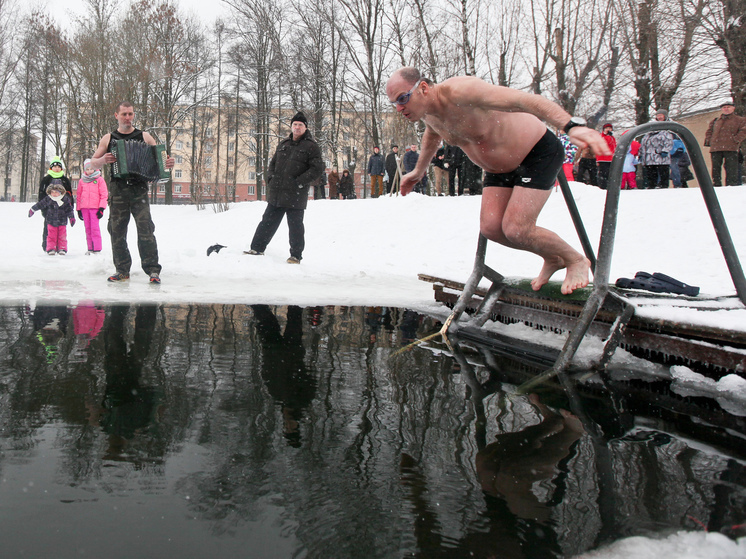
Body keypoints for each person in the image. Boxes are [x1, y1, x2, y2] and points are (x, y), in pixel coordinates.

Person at [386, 67, 609, 294]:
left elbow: (526, 101)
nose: (399, 108)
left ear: (423, 88)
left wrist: (571, 126)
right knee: (491, 229)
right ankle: (553, 257)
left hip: (536, 153)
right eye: (394, 103)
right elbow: (432, 135)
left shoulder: (462, 92)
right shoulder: (428, 112)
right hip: (499, 169)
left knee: (517, 229)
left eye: (402, 99)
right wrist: (418, 171)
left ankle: (576, 260)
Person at [90, 101, 174, 284]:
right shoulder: (108, 138)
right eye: (124, 114)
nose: (127, 118)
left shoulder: (144, 136)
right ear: (116, 116)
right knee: (117, 230)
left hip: (139, 190)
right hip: (118, 189)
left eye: (130, 114)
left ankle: (153, 270)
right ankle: (122, 270)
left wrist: (168, 164)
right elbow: (92, 163)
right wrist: (103, 159)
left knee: (146, 229)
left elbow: (161, 160)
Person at [246, 111, 323, 264]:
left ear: (305, 127)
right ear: (291, 126)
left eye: (300, 125)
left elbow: (317, 169)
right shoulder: (284, 144)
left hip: (296, 194)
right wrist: (271, 178)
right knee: (267, 221)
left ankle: (295, 256)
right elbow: (273, 164)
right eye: (295, 124)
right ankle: (257, 248)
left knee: (295, 226)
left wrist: (299, 182)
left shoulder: (311, 146)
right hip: (277, 192)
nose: (297, 127)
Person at [704, 99, 746, 186]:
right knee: (715, 168)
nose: (726, 109)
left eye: (728, 107)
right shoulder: (715, 120)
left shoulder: (740, 120)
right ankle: (716, 184)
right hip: (715, 148)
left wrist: (735, 140)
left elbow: (743, 131)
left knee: (731, 168)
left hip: (731, 147)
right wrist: (710, 140)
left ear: (733, 108)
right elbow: (709, 131)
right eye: (724, 107)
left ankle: (731, 185)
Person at [28, 182, 76, 255]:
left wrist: (71, 217)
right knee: (51, 236)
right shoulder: (48, 199)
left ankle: (62, 248)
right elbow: (40, 204)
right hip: (51, 221)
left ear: (61, 192)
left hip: (62, 221)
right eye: (52, 192)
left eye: (56, 192)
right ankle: (51, 248)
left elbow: (69, 209)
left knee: (62, 236)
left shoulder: (65, 199)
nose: (54, 194)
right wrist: (33, 209)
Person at [37, 156, 73, 252]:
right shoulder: (46, 179)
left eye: (58, 167)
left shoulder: (65, 180)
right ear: (51, 168)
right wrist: (43, 208)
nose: (57, 168)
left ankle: (60, 247)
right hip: (49, 208)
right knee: (49, 228)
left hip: (62, 209)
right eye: (55, 166)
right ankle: (47, 246)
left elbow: (69, 193)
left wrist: (70, 207)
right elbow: (41, 194)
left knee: (61, 229)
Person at [76, 158, 108, 254]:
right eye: (87, 169)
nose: (89, 171)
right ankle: (90, 248)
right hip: (84, 208)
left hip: (95, 208)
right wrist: (78, 209)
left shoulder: (99, 180)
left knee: (95, 228)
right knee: (88, 228)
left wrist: (102, 208)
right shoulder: (82, 181)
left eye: (91, 169)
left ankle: (97, 248)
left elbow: (104, 195)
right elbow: (78, 195)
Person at [639, 109, 674, 189]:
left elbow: (669, 141)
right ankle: (652, 184)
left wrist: (665, 150)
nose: (659, 117)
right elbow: (643, 144)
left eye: (661, 115)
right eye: (658, 115)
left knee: (663, 171)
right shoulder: (648, 134)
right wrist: (641, 154)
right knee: (651, 172)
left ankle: (663, 185)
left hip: (660, 156)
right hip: (649, 157)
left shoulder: (667, 129)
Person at [595, 123, 616, 189]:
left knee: (610, 173)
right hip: (603, 158)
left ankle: (609, 186)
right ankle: (603, 186)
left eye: (610, 128)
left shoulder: (612, 137)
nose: (608, 130)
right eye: (607, 128)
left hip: (610, 158)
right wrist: (608, 136)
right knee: (604, 173)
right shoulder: (601, 136)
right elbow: (605, 143)